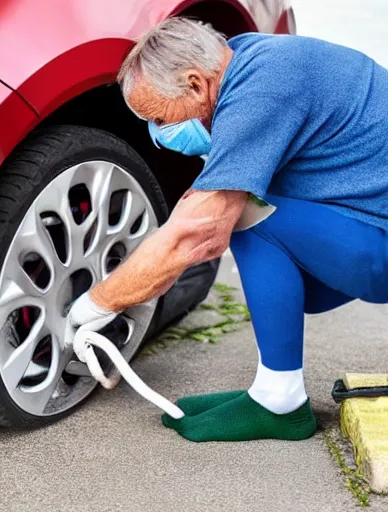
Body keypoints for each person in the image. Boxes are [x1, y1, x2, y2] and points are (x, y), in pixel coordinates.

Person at [65, 17, 388, 443]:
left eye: (160, 118)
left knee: (243, 219)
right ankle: (273, 389)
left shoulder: (262, 90)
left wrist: (94, 305)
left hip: (378, 244)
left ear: (196, 84)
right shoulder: (248, 60)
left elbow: (196, 232)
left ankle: (279, 401)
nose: (160, 135)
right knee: (268, 251)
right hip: (367, 227)